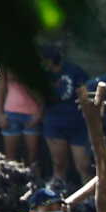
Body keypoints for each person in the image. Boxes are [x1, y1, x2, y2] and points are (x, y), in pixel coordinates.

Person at [36, 42, 94, 188]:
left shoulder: (74, 71)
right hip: (54, 123)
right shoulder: (43, 75)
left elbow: (84, 94)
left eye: (45, 60)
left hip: (77, 124)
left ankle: (90, 197)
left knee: (84, 165)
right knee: (59, 163)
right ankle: (57, 194)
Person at [0, 65, 44, 174]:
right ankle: (11, 183)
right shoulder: (7, 63)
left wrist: (39, 114)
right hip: (11, 113)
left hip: (32, 114)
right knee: (10, 157)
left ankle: (34, 183)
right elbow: (1, 88)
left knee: (33, 157)